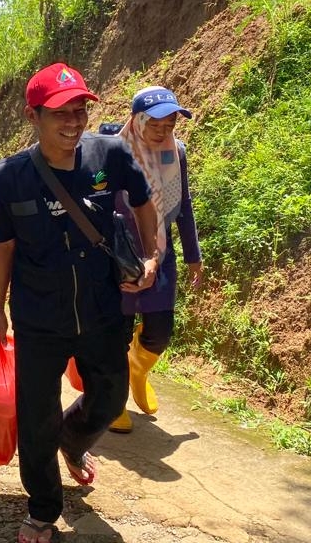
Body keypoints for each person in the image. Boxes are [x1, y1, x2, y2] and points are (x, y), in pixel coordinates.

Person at [0, 63, 161, 543]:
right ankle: (43, 507)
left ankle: (74, 436)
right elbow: (5, 248)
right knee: (36, 413)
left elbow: (144, 202)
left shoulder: (110, 154)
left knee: (110, 397)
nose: (74, 121)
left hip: (103, 308)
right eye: (61, 112)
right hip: (39, 314)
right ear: (33, 116)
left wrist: (151, 256)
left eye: (81, 109)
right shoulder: (10, 178)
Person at [109, 86, 203, 433]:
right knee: (117, 330)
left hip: (160, 252)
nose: (164, 132)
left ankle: (138, 367)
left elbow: (185, 206)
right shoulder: (115, 151)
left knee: (159, 332)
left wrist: (194, 255)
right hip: (118, 253)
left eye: (171, 125)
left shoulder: (175, 152)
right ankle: (114, 399)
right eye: (156, 125)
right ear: (138, 121)